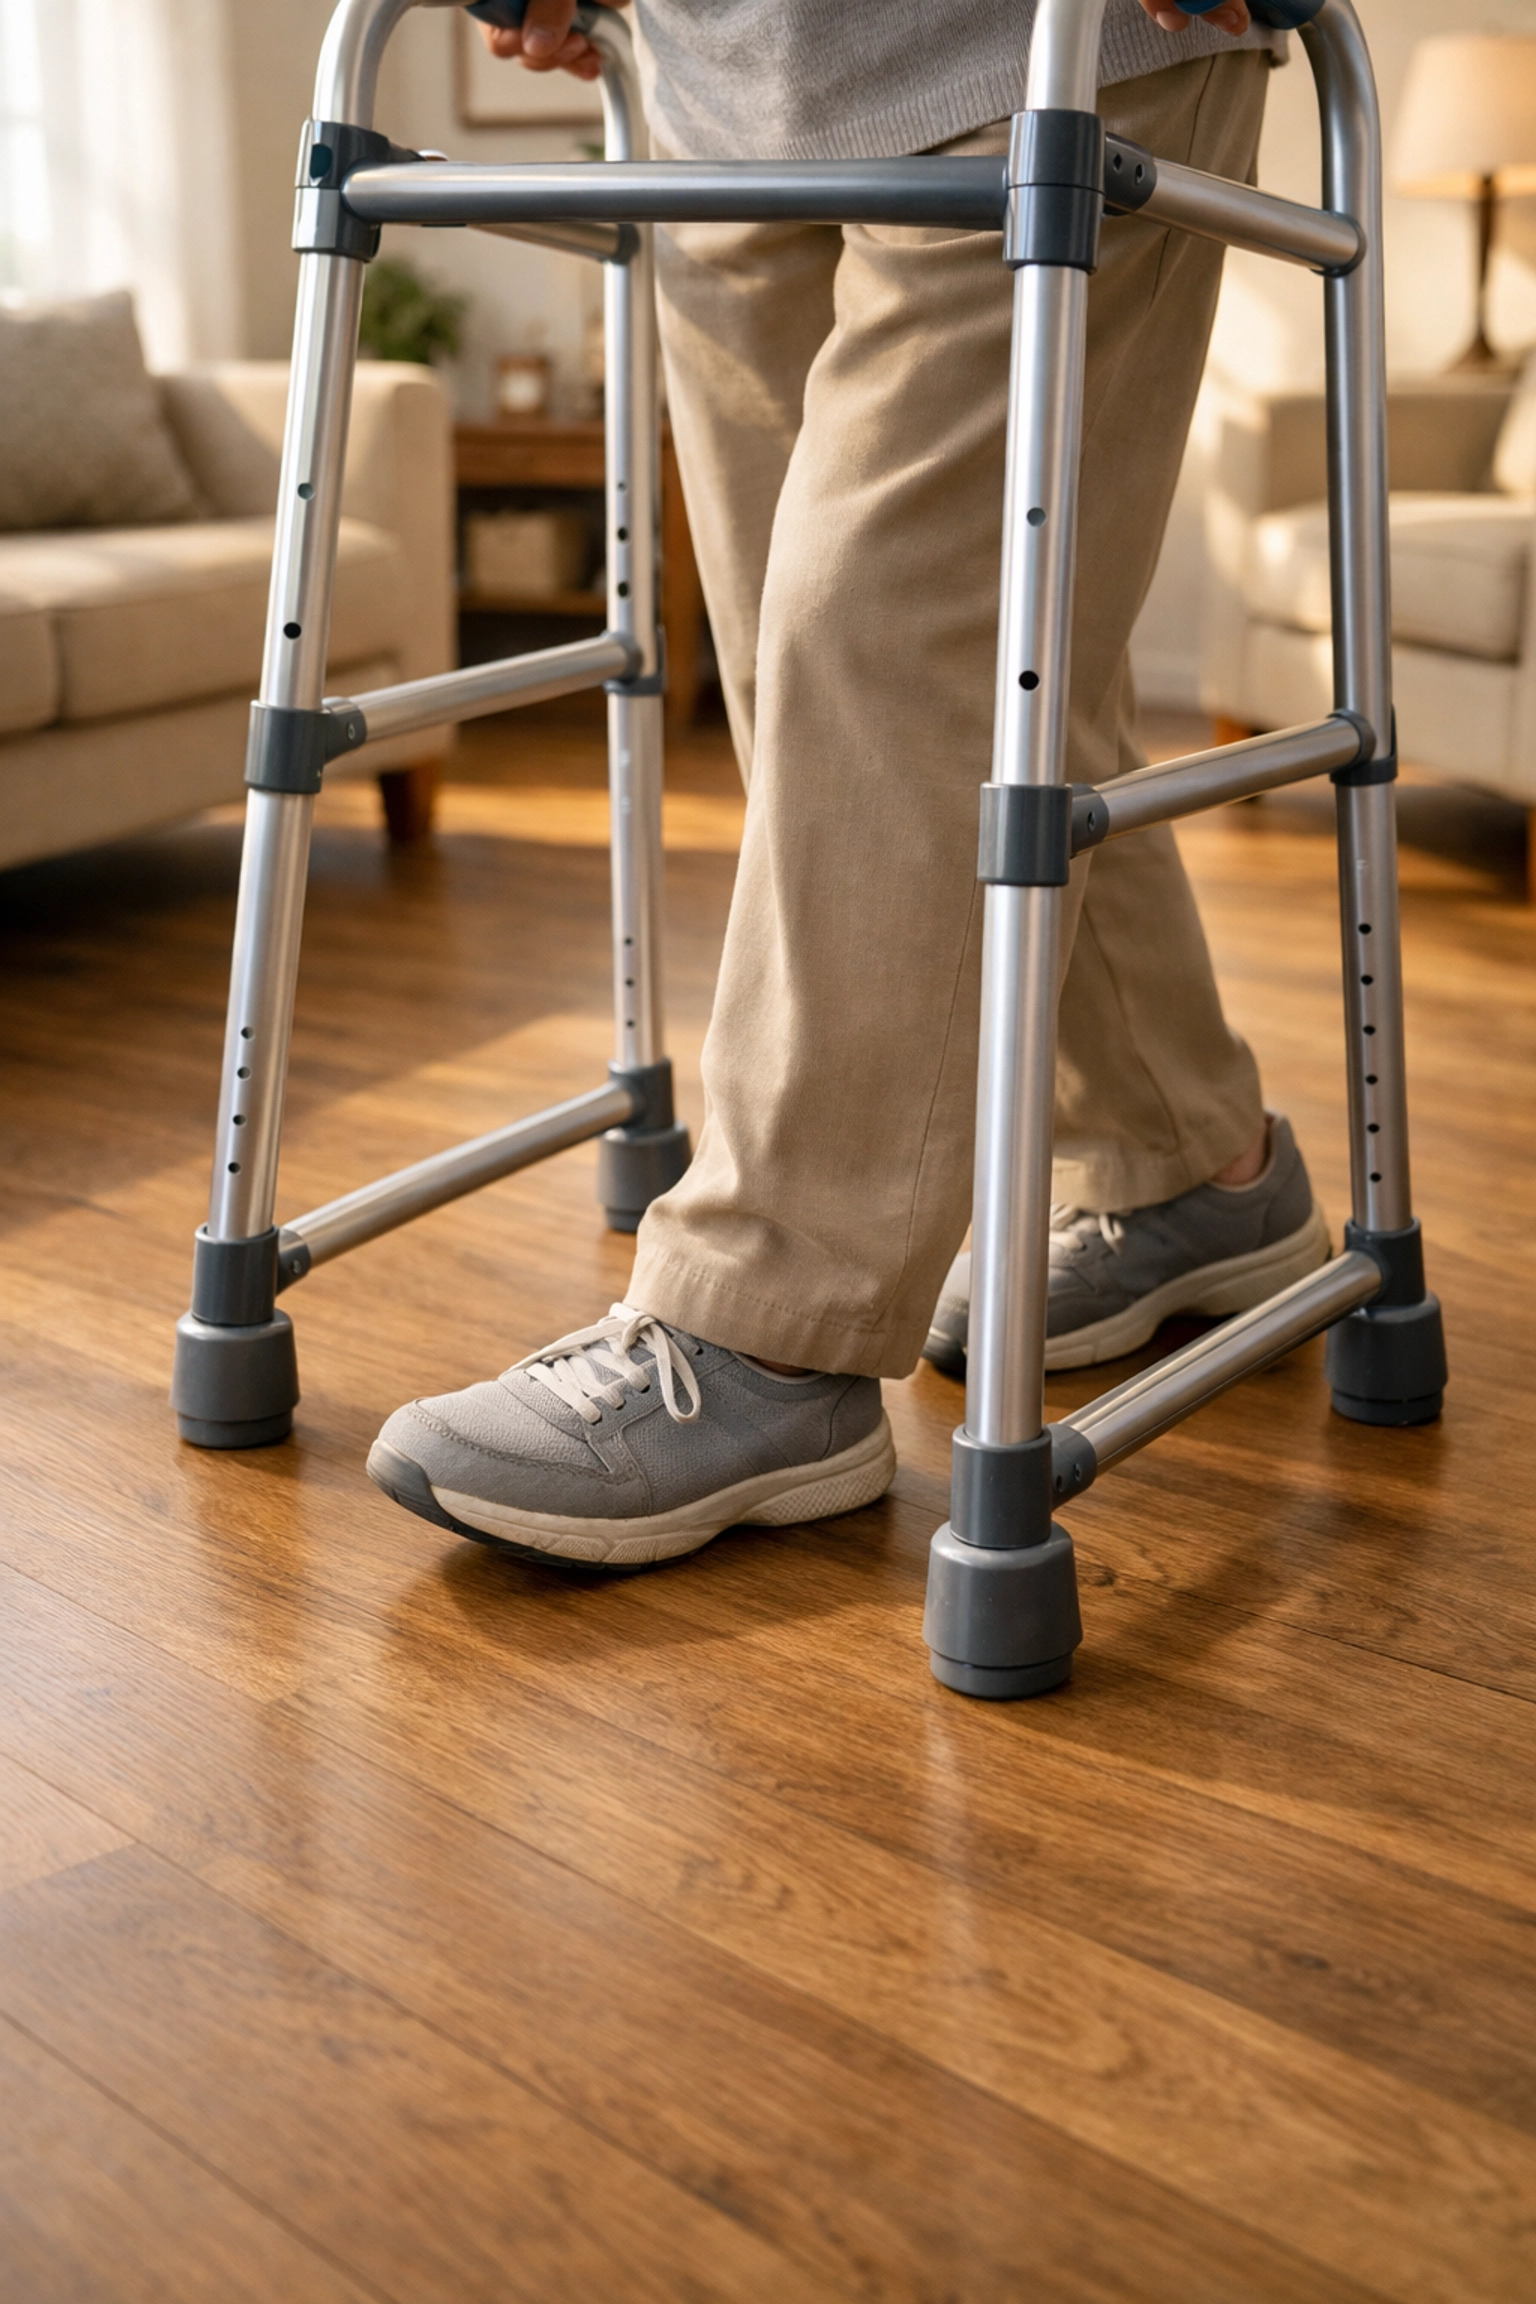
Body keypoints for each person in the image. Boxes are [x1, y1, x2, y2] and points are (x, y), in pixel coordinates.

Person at [366, 0, 1329, 1569]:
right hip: (721, 78)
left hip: (1045, 45)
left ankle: (769, 1323)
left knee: (880, 653)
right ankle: (1191, 1161)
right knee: (909, 697)